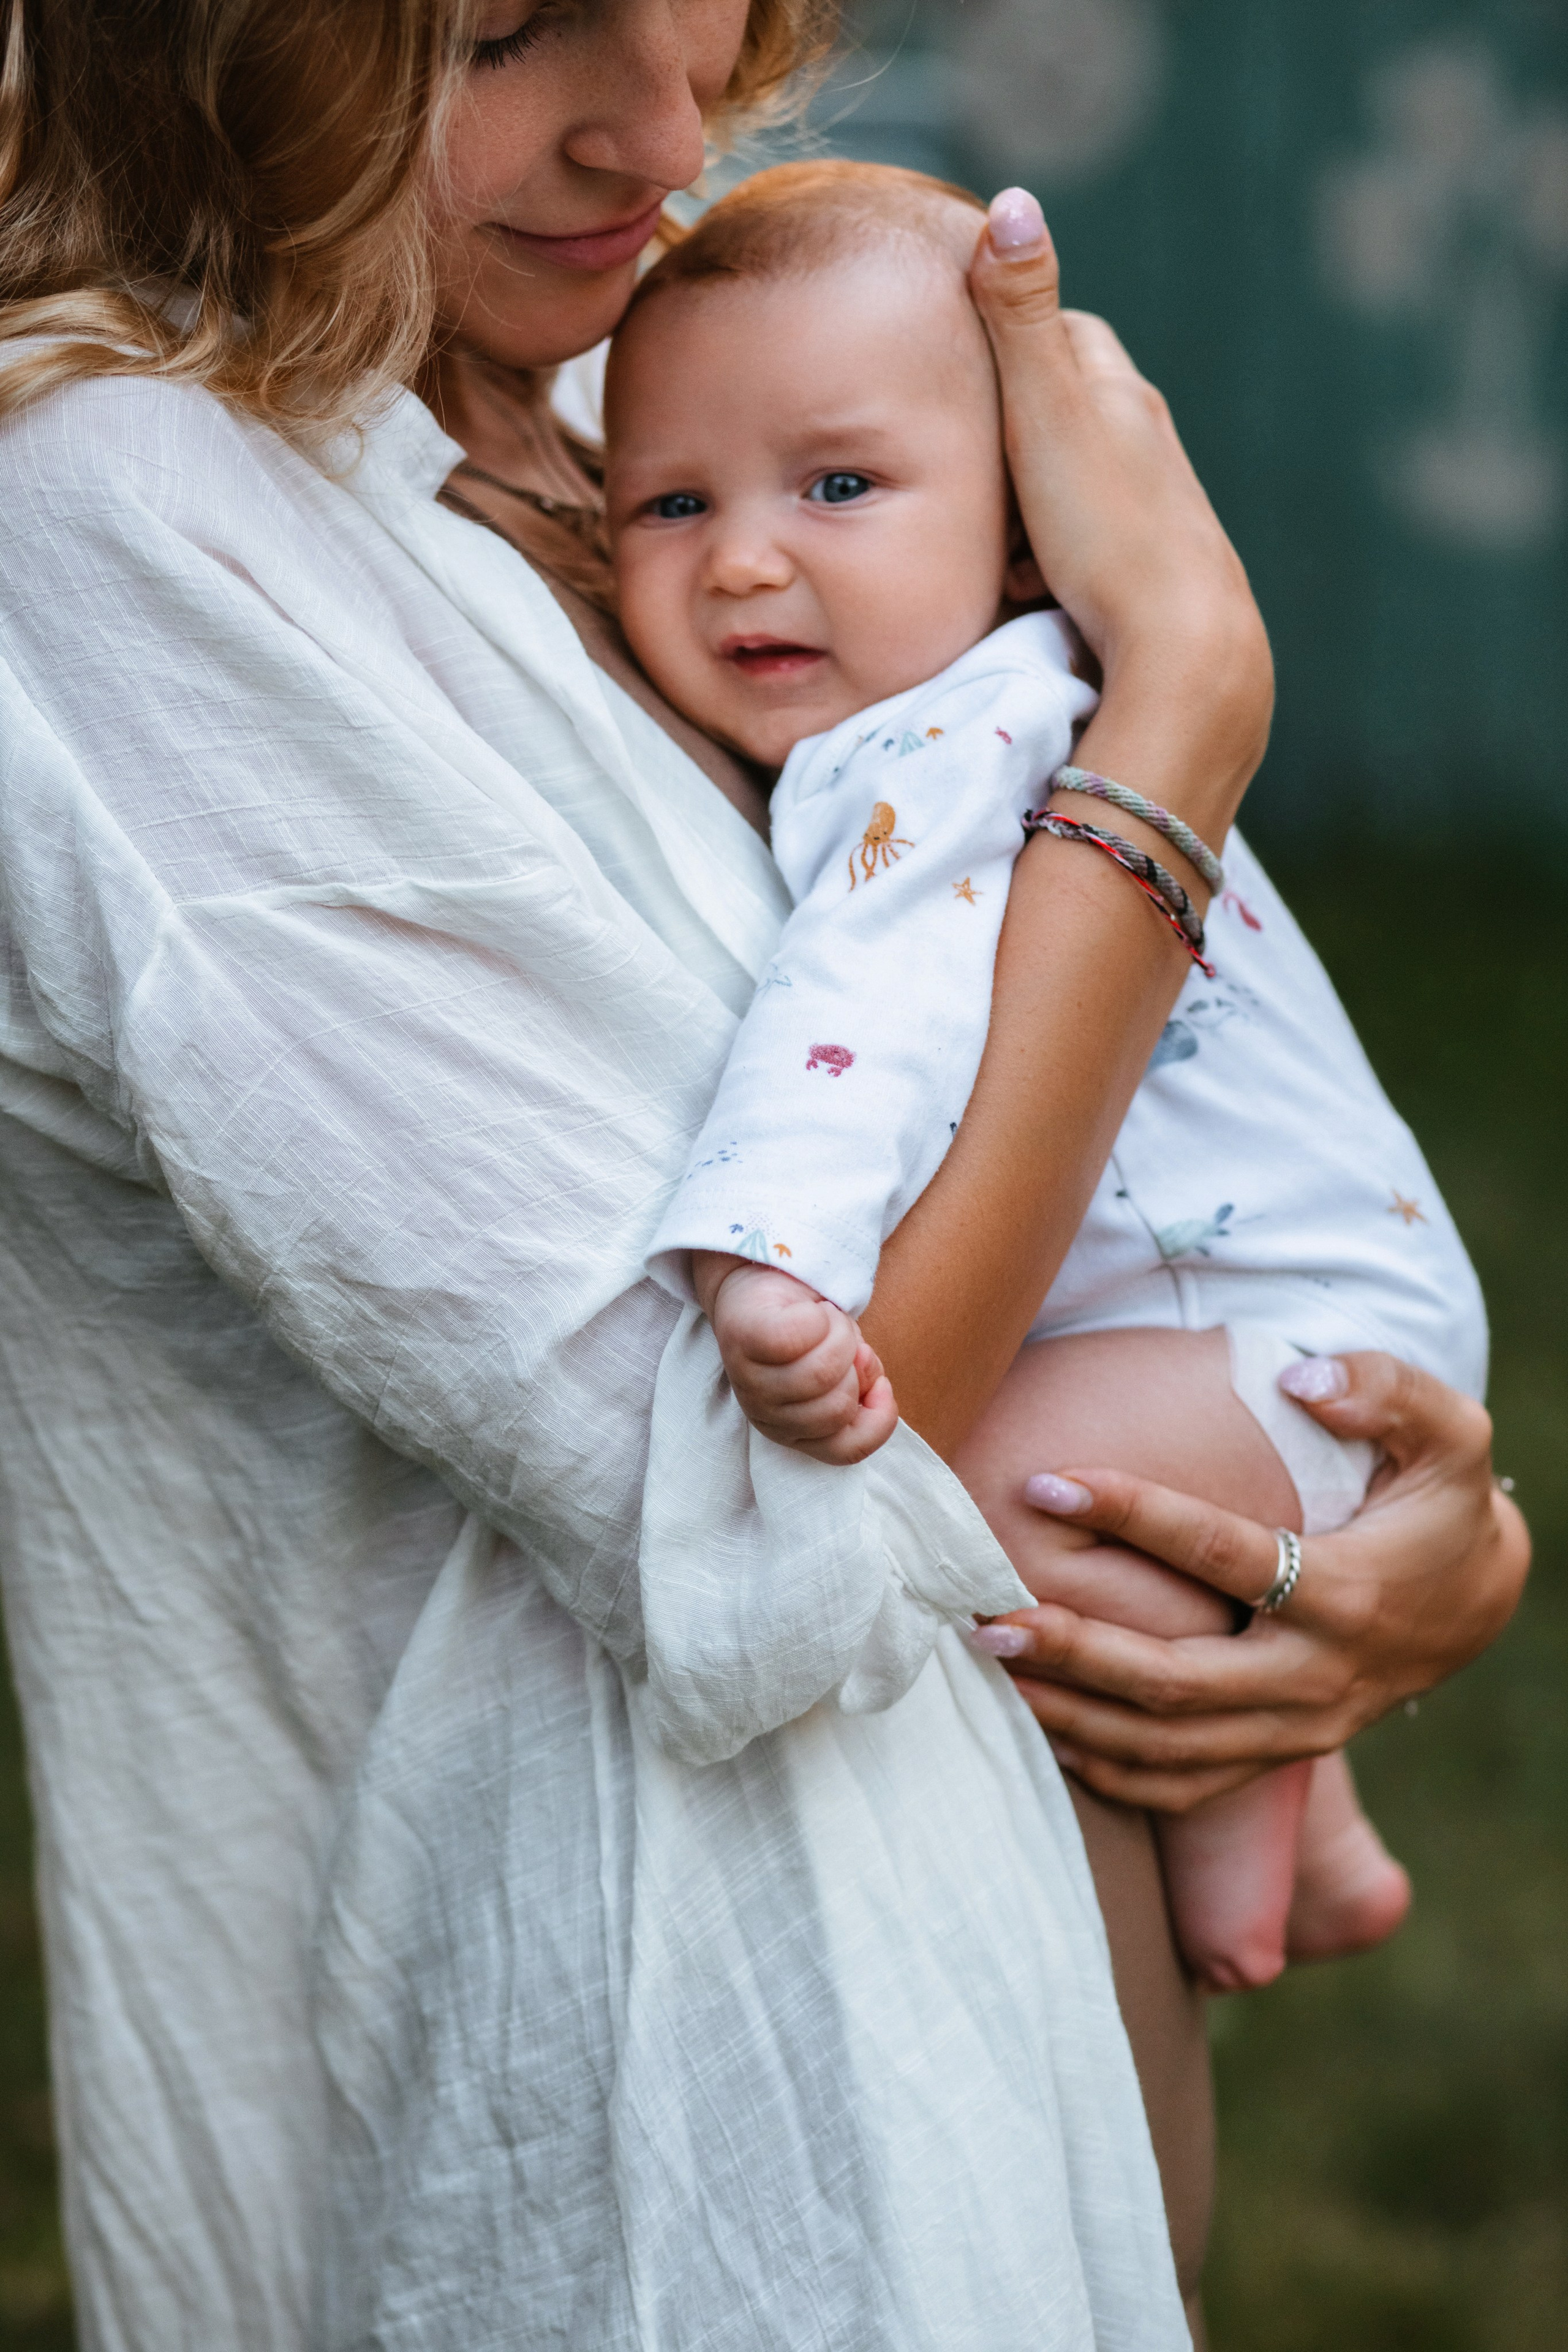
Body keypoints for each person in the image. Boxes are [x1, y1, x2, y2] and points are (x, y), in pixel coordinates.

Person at [0, 3, 1527, 2346]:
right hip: (668, 2102)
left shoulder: (636, 401)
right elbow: (760, 1512)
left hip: (945, 2001)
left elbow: (1086, 1109)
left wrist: (1371, 1584)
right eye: (510, 28)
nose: (661, 127)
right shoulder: (125, 525)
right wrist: (1187, 702)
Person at [609, 159, 1485, 1991]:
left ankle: (1270, 1828)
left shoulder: (933, 747)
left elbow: (870, 1018)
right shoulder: (1037, 687)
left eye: (838, 488)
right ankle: (1308, 1855)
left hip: (1269, 1334)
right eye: (670, 503)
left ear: (1020, 532)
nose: (747, 557)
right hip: (1303, 1311)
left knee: (989, 1510)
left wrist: (772, 1255)